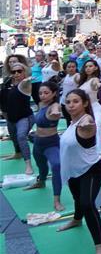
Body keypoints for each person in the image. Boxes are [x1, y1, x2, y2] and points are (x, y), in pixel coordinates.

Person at [56, 89, 101, 254]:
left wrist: (88, 124)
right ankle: (77, 220)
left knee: (87, 204)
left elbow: (89, 123)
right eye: (68, 102)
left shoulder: (86, 121)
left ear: (85, 103)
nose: (71, 105)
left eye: (75, 101)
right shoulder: (72, 122)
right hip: (74, 170)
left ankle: (99, 245)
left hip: (92, 170)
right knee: (77, 199)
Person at [24, 81, 65, 211]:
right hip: (37, 143)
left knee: (56, 166)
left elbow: (56, 111)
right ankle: (41, 182)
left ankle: (57, 200)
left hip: (51, 143)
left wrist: (56, 114)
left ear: (53, 94)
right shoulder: (41, 104)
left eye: (46, 93)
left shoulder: (55, 105)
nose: (43, 95)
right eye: (40, 93)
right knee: (41, 167)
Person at [1, 62, 34, 174]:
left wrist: (28, 78)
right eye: (14, 72)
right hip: (11, 118)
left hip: (24, 118)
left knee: (21, 137)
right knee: (14, 138)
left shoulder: (25, 84)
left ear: (24, 72)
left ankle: (28, 164)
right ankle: (17, 153)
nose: (16, 74)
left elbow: (27, 80)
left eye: (19, 71)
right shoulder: (9, 83)